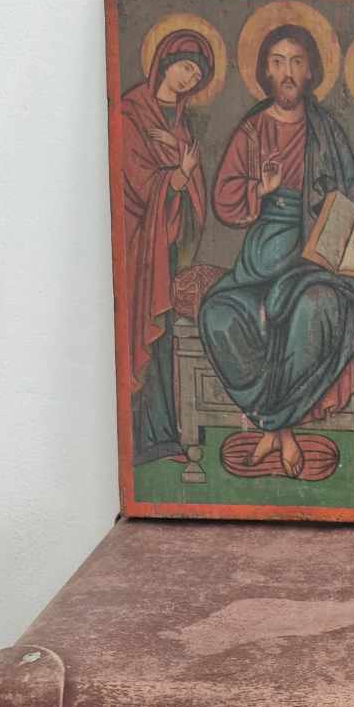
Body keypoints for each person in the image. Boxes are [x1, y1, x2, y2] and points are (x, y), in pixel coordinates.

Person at [199, 24, 354, 479]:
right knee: (218, 315)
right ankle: (282, 430)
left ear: (310, 72)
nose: (287, 72)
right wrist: (258, 191)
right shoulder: (253, 131)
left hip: (318, 259)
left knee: (316, 308)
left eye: (296, 62)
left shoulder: (327, 130)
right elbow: (224, 199)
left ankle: (273, 427)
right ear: (265, 71)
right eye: (278, 62)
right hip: (259, 264)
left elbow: (353, 188)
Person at [120, 28, 214, 464]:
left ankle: (165, 436)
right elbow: (137, 182)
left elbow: (192, 184)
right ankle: (138, 442)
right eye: (186, 67)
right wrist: (177, 172)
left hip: (165, 244)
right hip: (139, 245)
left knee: (164, 340)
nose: (189, 78)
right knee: (141, 333)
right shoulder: (131, 112)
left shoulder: (178, 123)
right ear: (165, 61)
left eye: (196, 75)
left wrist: (181, 161)